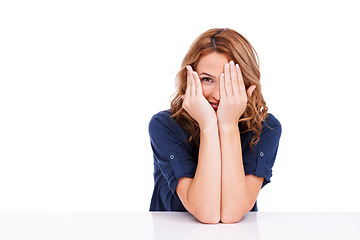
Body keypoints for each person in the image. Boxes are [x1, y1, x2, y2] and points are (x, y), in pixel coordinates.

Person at [148, 28, 281, 224]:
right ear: (190, 79)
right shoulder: (164, 125)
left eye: (230, 81)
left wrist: (228, 125)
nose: (218, 95)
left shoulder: (266, 128)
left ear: (246, 83)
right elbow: (207, 213)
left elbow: (232, 214)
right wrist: (208, 125)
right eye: (207, 79)